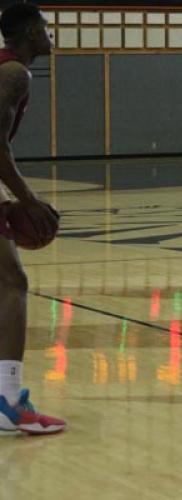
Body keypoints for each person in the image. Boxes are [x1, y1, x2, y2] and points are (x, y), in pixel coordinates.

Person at [0, 3, 65, 434]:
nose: (50, 33)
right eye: (44, 27)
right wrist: (27, 199)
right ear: (27, 32)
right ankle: (7, 401)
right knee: (12, 284)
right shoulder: (14, 74)